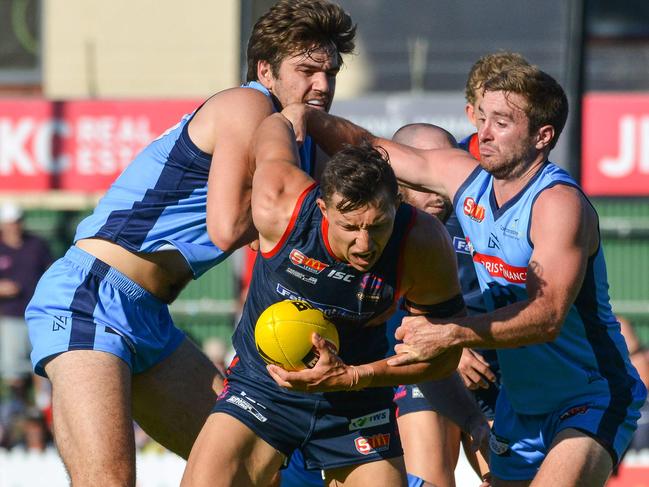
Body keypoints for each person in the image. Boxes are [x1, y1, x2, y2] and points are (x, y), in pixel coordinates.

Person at [24, 1, 356, 485]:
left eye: (331, 72)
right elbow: (228, 227)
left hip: (150, 318)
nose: (322, 85)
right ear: (265, 70)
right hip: (90, 297)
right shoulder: (249, 104)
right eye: (307, 70)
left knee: (264, 472)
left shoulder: (303, 142)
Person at [286, 64, 648, 486]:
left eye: (503, 122)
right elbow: (371, 146)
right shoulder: (467, 179)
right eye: (482, 118)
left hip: (589, 395)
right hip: (520, 405)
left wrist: (451, 333)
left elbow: (547, 316)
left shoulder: (557, 204)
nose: (485, 133)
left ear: (542, 137)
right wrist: (302, 115)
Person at [181, 113, 470, 487]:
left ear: (397, 207)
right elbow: (273, 125)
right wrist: (298, 114)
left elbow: (446, 356)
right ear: (323, 209)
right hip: (266, 387)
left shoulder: (422, 242)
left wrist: (353, 377)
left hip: (357, 400)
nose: (365, 244)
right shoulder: (279, 205)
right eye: (349, 227)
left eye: (378, 225)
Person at [389, 123, 489, 487]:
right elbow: (394, 319)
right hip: (416, 366)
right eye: (424, 171)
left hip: (487, 370)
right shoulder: (381, 228)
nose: (438, 185)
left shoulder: (477, 219)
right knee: (432, 479)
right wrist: (450, 347)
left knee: (506, 476)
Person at [0, 203, 52, 383]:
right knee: (13, 369)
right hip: (10, 315)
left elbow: (50, 271)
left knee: (42, 366)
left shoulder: (36, 244)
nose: (14, 226)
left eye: (17, 222)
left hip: (38, 314)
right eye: (10, 223)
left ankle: (41, 407)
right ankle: (17, 406)